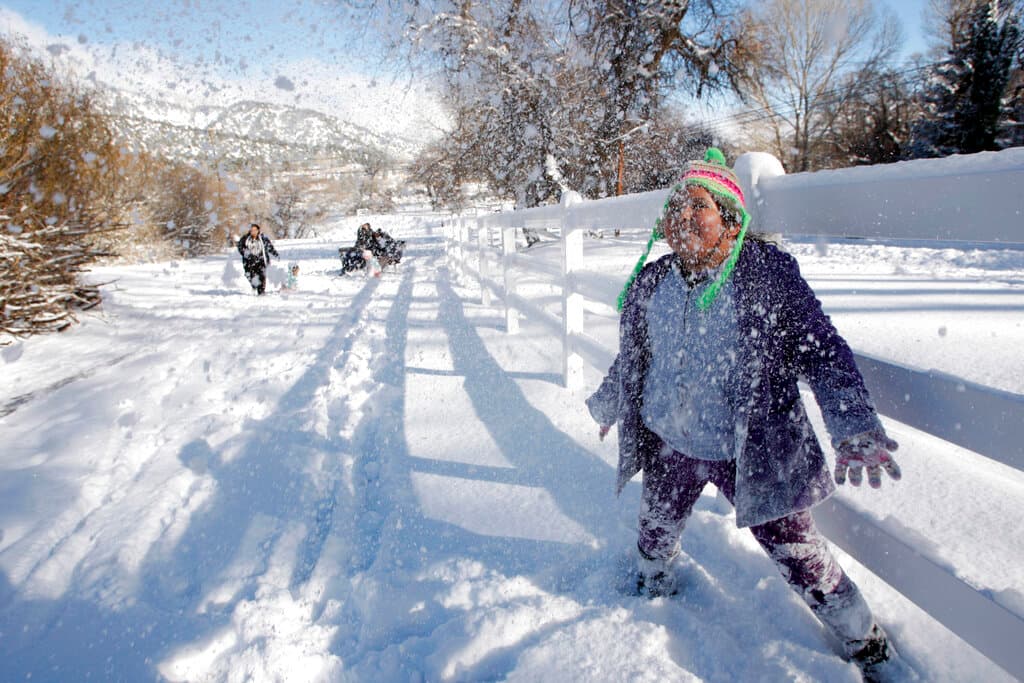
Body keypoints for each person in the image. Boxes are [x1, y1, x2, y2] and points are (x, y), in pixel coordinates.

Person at [586, 148, 907, 681]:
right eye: (675, 207)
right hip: (671, 441)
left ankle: (864, 640)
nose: (683, 216)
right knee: (655, 527)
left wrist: (851, 422)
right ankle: (652, 583)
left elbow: (821, 350)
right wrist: (610, 402)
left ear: (731, 221)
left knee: (799, 554)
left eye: (699, 206)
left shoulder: (765, 274)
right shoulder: (653, 281)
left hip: (752, 451)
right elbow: (635, 357)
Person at [236, 223, 278, 295]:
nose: (254, 232)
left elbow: (269, 246)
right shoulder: (245, 238)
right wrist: (247, 254)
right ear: (250, 231)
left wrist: (275, 253)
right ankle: (254, 285)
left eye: (255, 230)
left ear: (258, 230)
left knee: (262, 276)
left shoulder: (263, 238)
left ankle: (261, 293)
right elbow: (240, 247)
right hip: (249, 262)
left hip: (261, 260)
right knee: (250, 276)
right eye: (252, 230)